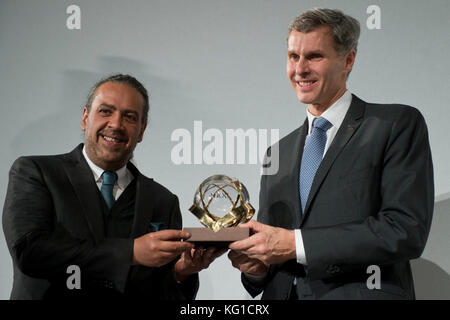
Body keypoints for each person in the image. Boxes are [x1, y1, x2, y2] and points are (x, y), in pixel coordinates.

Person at [228, 8, 434, 300]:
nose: (300, 69)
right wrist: (256, 267)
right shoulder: (278, 153)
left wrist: (295, 243)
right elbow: (274, 256)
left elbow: (403, 230)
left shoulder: (395, 125)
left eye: (314, 56)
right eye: (293, 57)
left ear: (348, 60)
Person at [2, 74, 225, 299]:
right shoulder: (36, 172)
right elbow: (29, 252)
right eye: (105, 111)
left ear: (141, 131)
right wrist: (130, 253)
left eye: (129, 117)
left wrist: (180, 273)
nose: (116, 125)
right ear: (85, 118)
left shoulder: (162, 201)